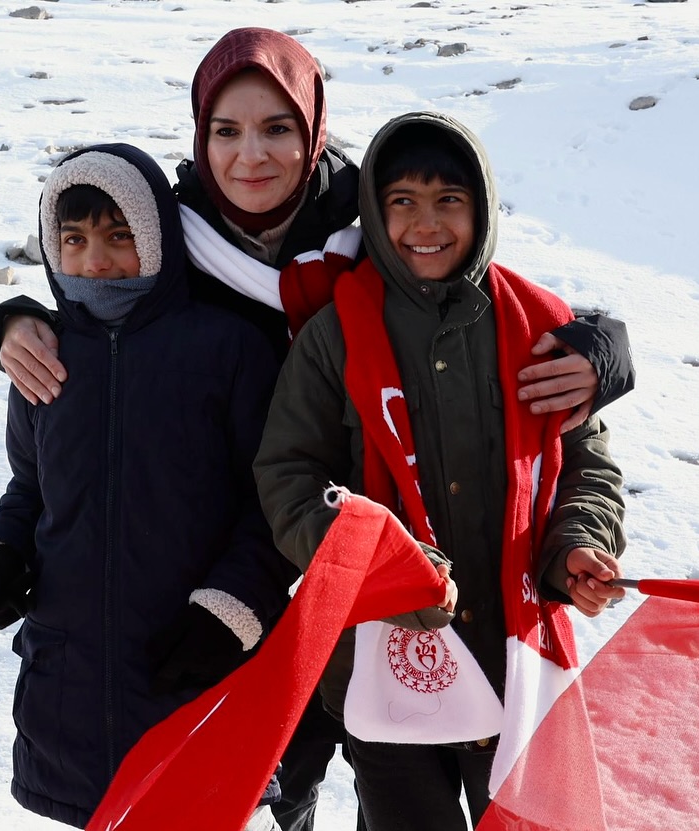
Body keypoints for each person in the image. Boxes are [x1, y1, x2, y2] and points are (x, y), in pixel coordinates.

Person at [0, 28, 635, 831]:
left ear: (313, 126)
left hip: (379, 567)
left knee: (374, 759)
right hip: (240, 553)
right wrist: (13, 321)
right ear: (200, 136)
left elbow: (477, 299)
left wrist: (601, 346)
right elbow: (97, 290)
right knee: (285, 772)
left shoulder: (372, 221)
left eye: (276, 127)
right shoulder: (172, 236)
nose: (250, 155)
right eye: (226, 131)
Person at [252, 110, 628, 831]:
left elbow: (585, 461)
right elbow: (289, 475)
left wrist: (575, 542)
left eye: (448, 201)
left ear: (481, 208)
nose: (426, 224)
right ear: (375, 211)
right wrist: (376, 564)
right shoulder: (339, 334)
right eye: (403, 202)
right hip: (383, 669)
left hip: (516, 659)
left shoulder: (539, 331)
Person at [0, 143, 296, 831]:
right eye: (75, 239)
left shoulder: (226, 349)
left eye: (120, 237)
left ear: (158, 238)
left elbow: (273, 507)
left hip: (194, 670)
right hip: (71, 691)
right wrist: (1, 553)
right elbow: (30, 485)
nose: (96, 260)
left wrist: (229, 612)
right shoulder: (44, 354)